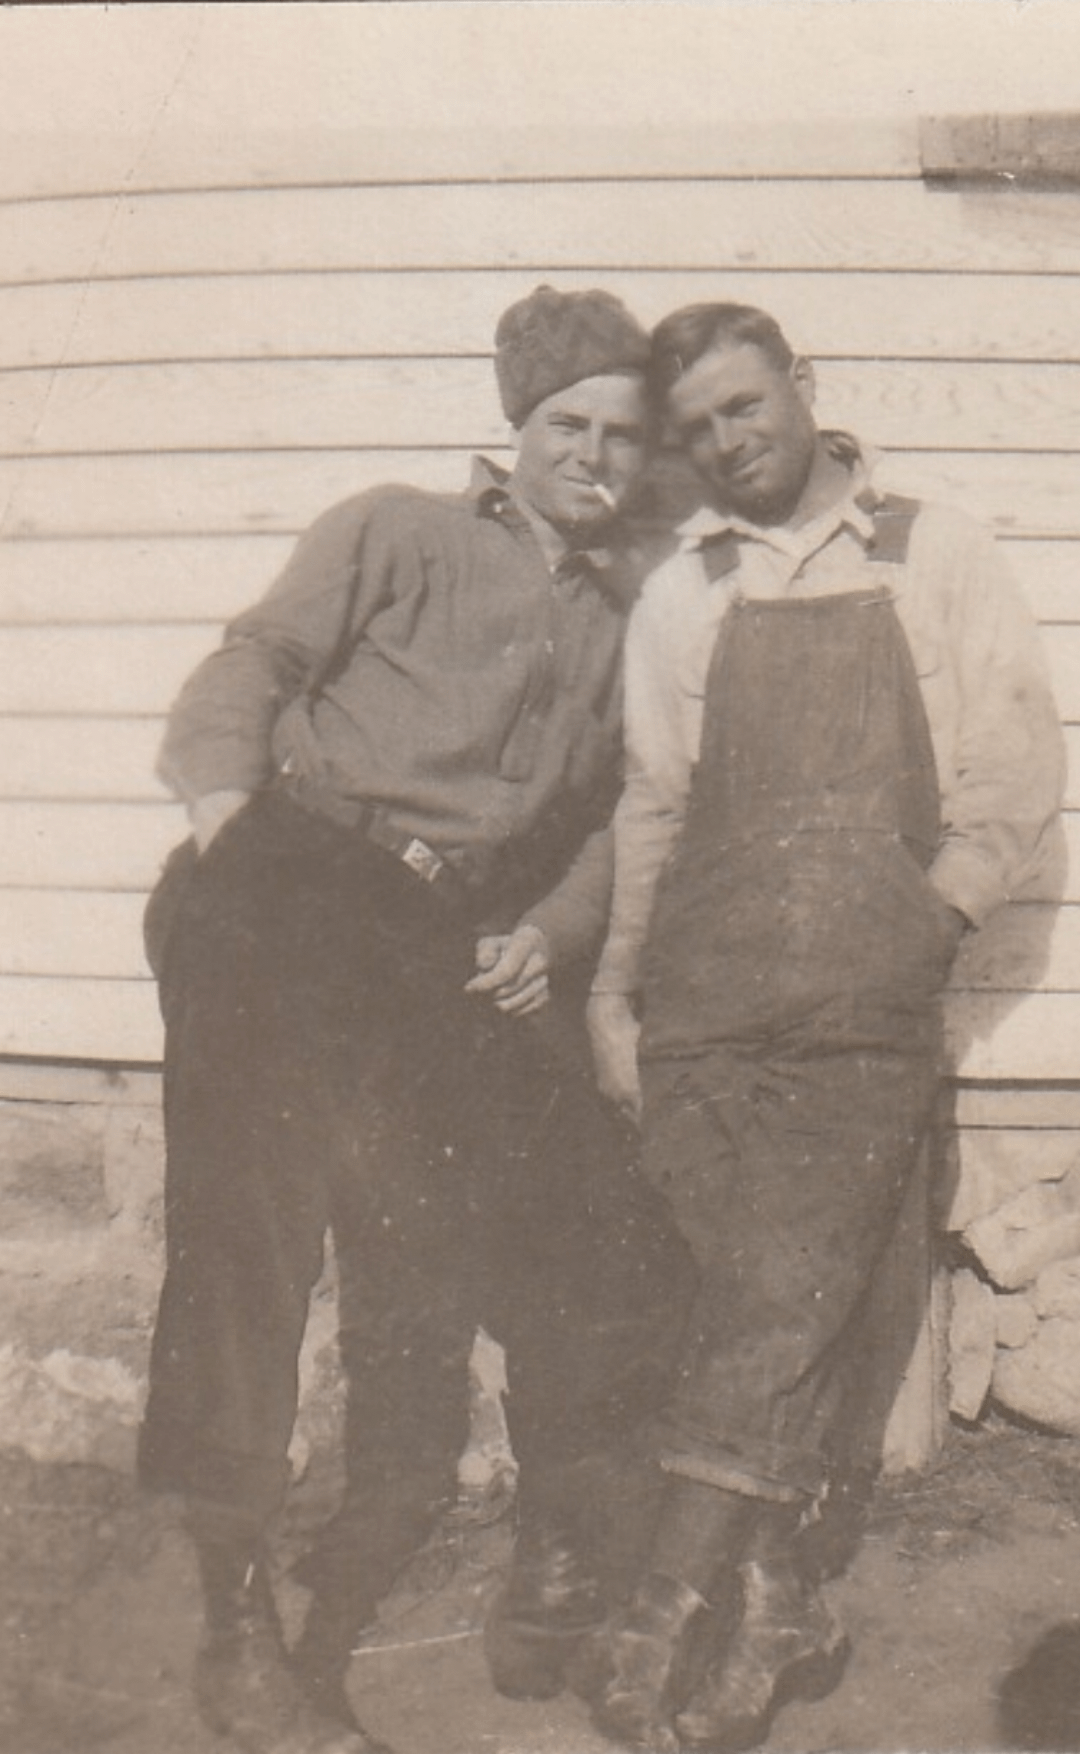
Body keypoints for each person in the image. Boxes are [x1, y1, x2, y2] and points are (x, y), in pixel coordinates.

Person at [137, 285, 695, 1754]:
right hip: (290, 880)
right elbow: (247, 668)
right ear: (515, 430)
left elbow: (608, 818)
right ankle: (235, 1621)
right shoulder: (395, 527)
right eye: (568, 427)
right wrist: (224, 829)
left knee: (583, 1211)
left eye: (625, 437)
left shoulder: (633, 610)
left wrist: (550, 933)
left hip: (447, 940)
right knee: (251, 1232)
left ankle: (564, 1568)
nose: (596, 458)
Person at [583, 301, 1065, 1752]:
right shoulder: (686, 591)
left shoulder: (937, 549)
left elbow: (1017, 758)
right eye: (701, 430)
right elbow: (656, 805)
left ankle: (661, 1598)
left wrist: (928, 921)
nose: (730, 444)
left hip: (862, 1001)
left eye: (746, 407)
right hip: (709, 1004)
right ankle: (786, 1592)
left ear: (803, 388)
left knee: (781, 1290)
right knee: (765, 1302)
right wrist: (616, 986)